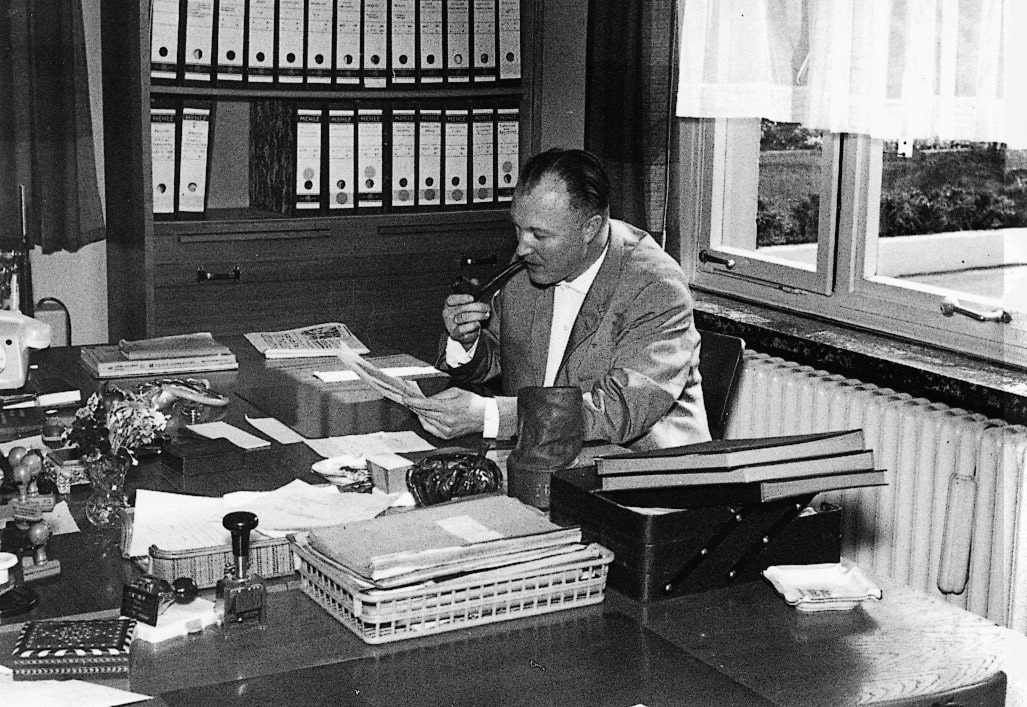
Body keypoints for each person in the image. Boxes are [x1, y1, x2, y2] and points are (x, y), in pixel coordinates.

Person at [403, 148, 710, 451]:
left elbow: (617, 411)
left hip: (638, 479)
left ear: (590, 227)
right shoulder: (531, 268)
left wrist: (491, 415)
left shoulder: (656, 286)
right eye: (518, 228)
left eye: (539, 234)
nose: (522, 247)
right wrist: (467, 343)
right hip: (542, 462)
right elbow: (499, 353)